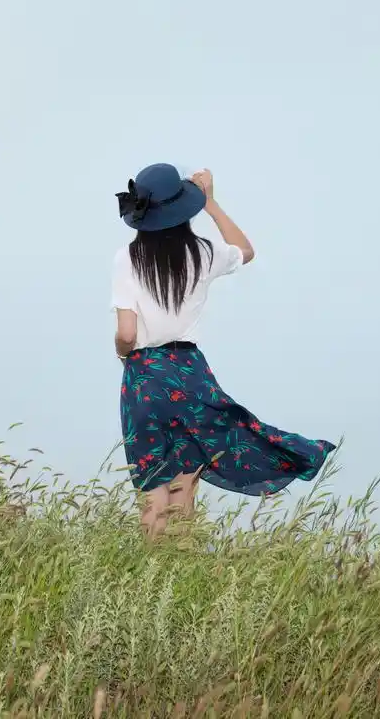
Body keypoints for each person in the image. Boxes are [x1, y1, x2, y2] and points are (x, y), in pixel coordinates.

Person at [111, 163, 336, 539]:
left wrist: (123, 354)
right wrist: (211, 204)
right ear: (182, 211)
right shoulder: (202, 253)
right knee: (185, 484)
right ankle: (181, 570)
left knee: (153, 490)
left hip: (143, 378)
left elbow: (126, 332)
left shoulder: (126, 259)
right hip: (189, 373)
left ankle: (150, 577)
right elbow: (246, 251)